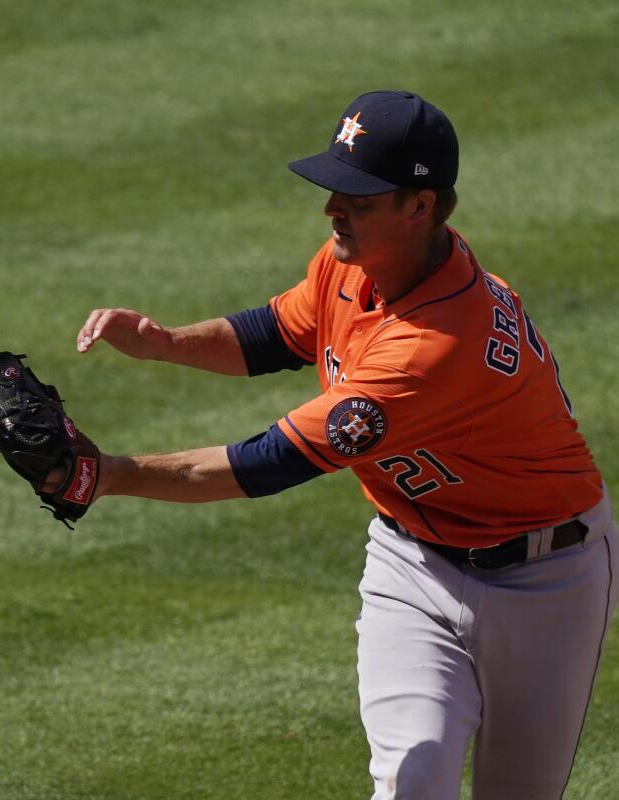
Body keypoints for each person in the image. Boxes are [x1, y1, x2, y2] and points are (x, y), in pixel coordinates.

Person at [73, 90, 616, 799]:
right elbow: (277, 332)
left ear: (420, 207)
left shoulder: (433, 349)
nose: (333, 208)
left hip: (548, 579)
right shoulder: (358, 264)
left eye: (358, 196)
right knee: (412, 784)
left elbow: (266, 463)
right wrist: (165, 342)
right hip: (415, 565)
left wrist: (107, 474)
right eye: (335, 187)